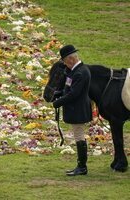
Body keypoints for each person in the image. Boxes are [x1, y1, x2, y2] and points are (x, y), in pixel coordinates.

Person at [53, 44, 92, 176]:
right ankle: (81, 165)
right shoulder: (75, 71)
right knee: (78, 135)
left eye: (65, 61)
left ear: (70, 59)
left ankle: (82, 167)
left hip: (78, 109)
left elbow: (74, 94)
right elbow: (68, 88)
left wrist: (58, 102)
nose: (65, 64)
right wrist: (59, 93)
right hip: (76, 108)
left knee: (79, 136)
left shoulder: (80, 73)